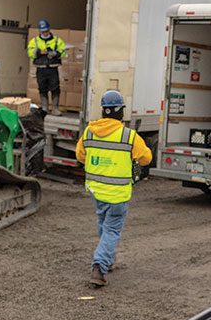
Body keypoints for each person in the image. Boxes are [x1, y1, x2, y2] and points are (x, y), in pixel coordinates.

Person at [76, 90, 152, 287]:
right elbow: (146, 158)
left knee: (103, 223)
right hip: (118, 193)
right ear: (119, 111)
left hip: (96, 190)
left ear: (103, 111)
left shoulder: (89, 131)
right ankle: (99, 267)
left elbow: (80, 156)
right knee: (111, 229)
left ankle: (107, 260)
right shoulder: (129, 136)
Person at [27, 19, 66, 116]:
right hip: (41, 68)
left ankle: (55, 108)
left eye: (46, 31)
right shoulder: (35, 41)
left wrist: (55, 53)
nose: (44, 33)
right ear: (40, 31)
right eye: (42, 31)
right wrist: (38, 52)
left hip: (52, 68)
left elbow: (63, 52)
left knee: (55, 87)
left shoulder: (57, 40)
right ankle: (44, 108)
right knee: (42, 88)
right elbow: (30, 53)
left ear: (49, 29)